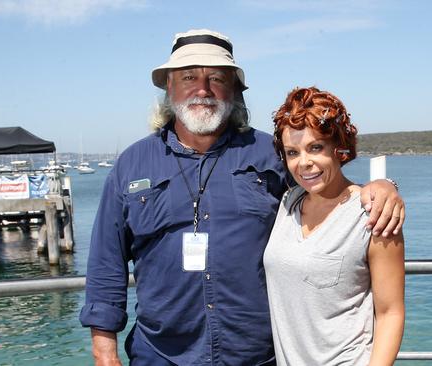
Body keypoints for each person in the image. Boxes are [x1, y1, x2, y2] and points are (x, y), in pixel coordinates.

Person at [79, 29, 405, 365]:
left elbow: (327, 190)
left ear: (234, 89)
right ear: (169, 87)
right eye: (189, 77)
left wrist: (382, 187)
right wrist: (105, 353)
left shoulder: (271, 155)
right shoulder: (130, 165)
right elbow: (106, 265)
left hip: (256, 357)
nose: (203, 89)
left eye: (216, 78)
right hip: (161, 356)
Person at [265, 87, 405, 365]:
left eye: (315, 147)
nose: (304, 163)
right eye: (292, 152)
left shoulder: (372, 215)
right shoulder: (288, 202)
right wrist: (386, 183)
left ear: (338, 149)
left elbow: (390, 313)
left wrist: (386, 187)